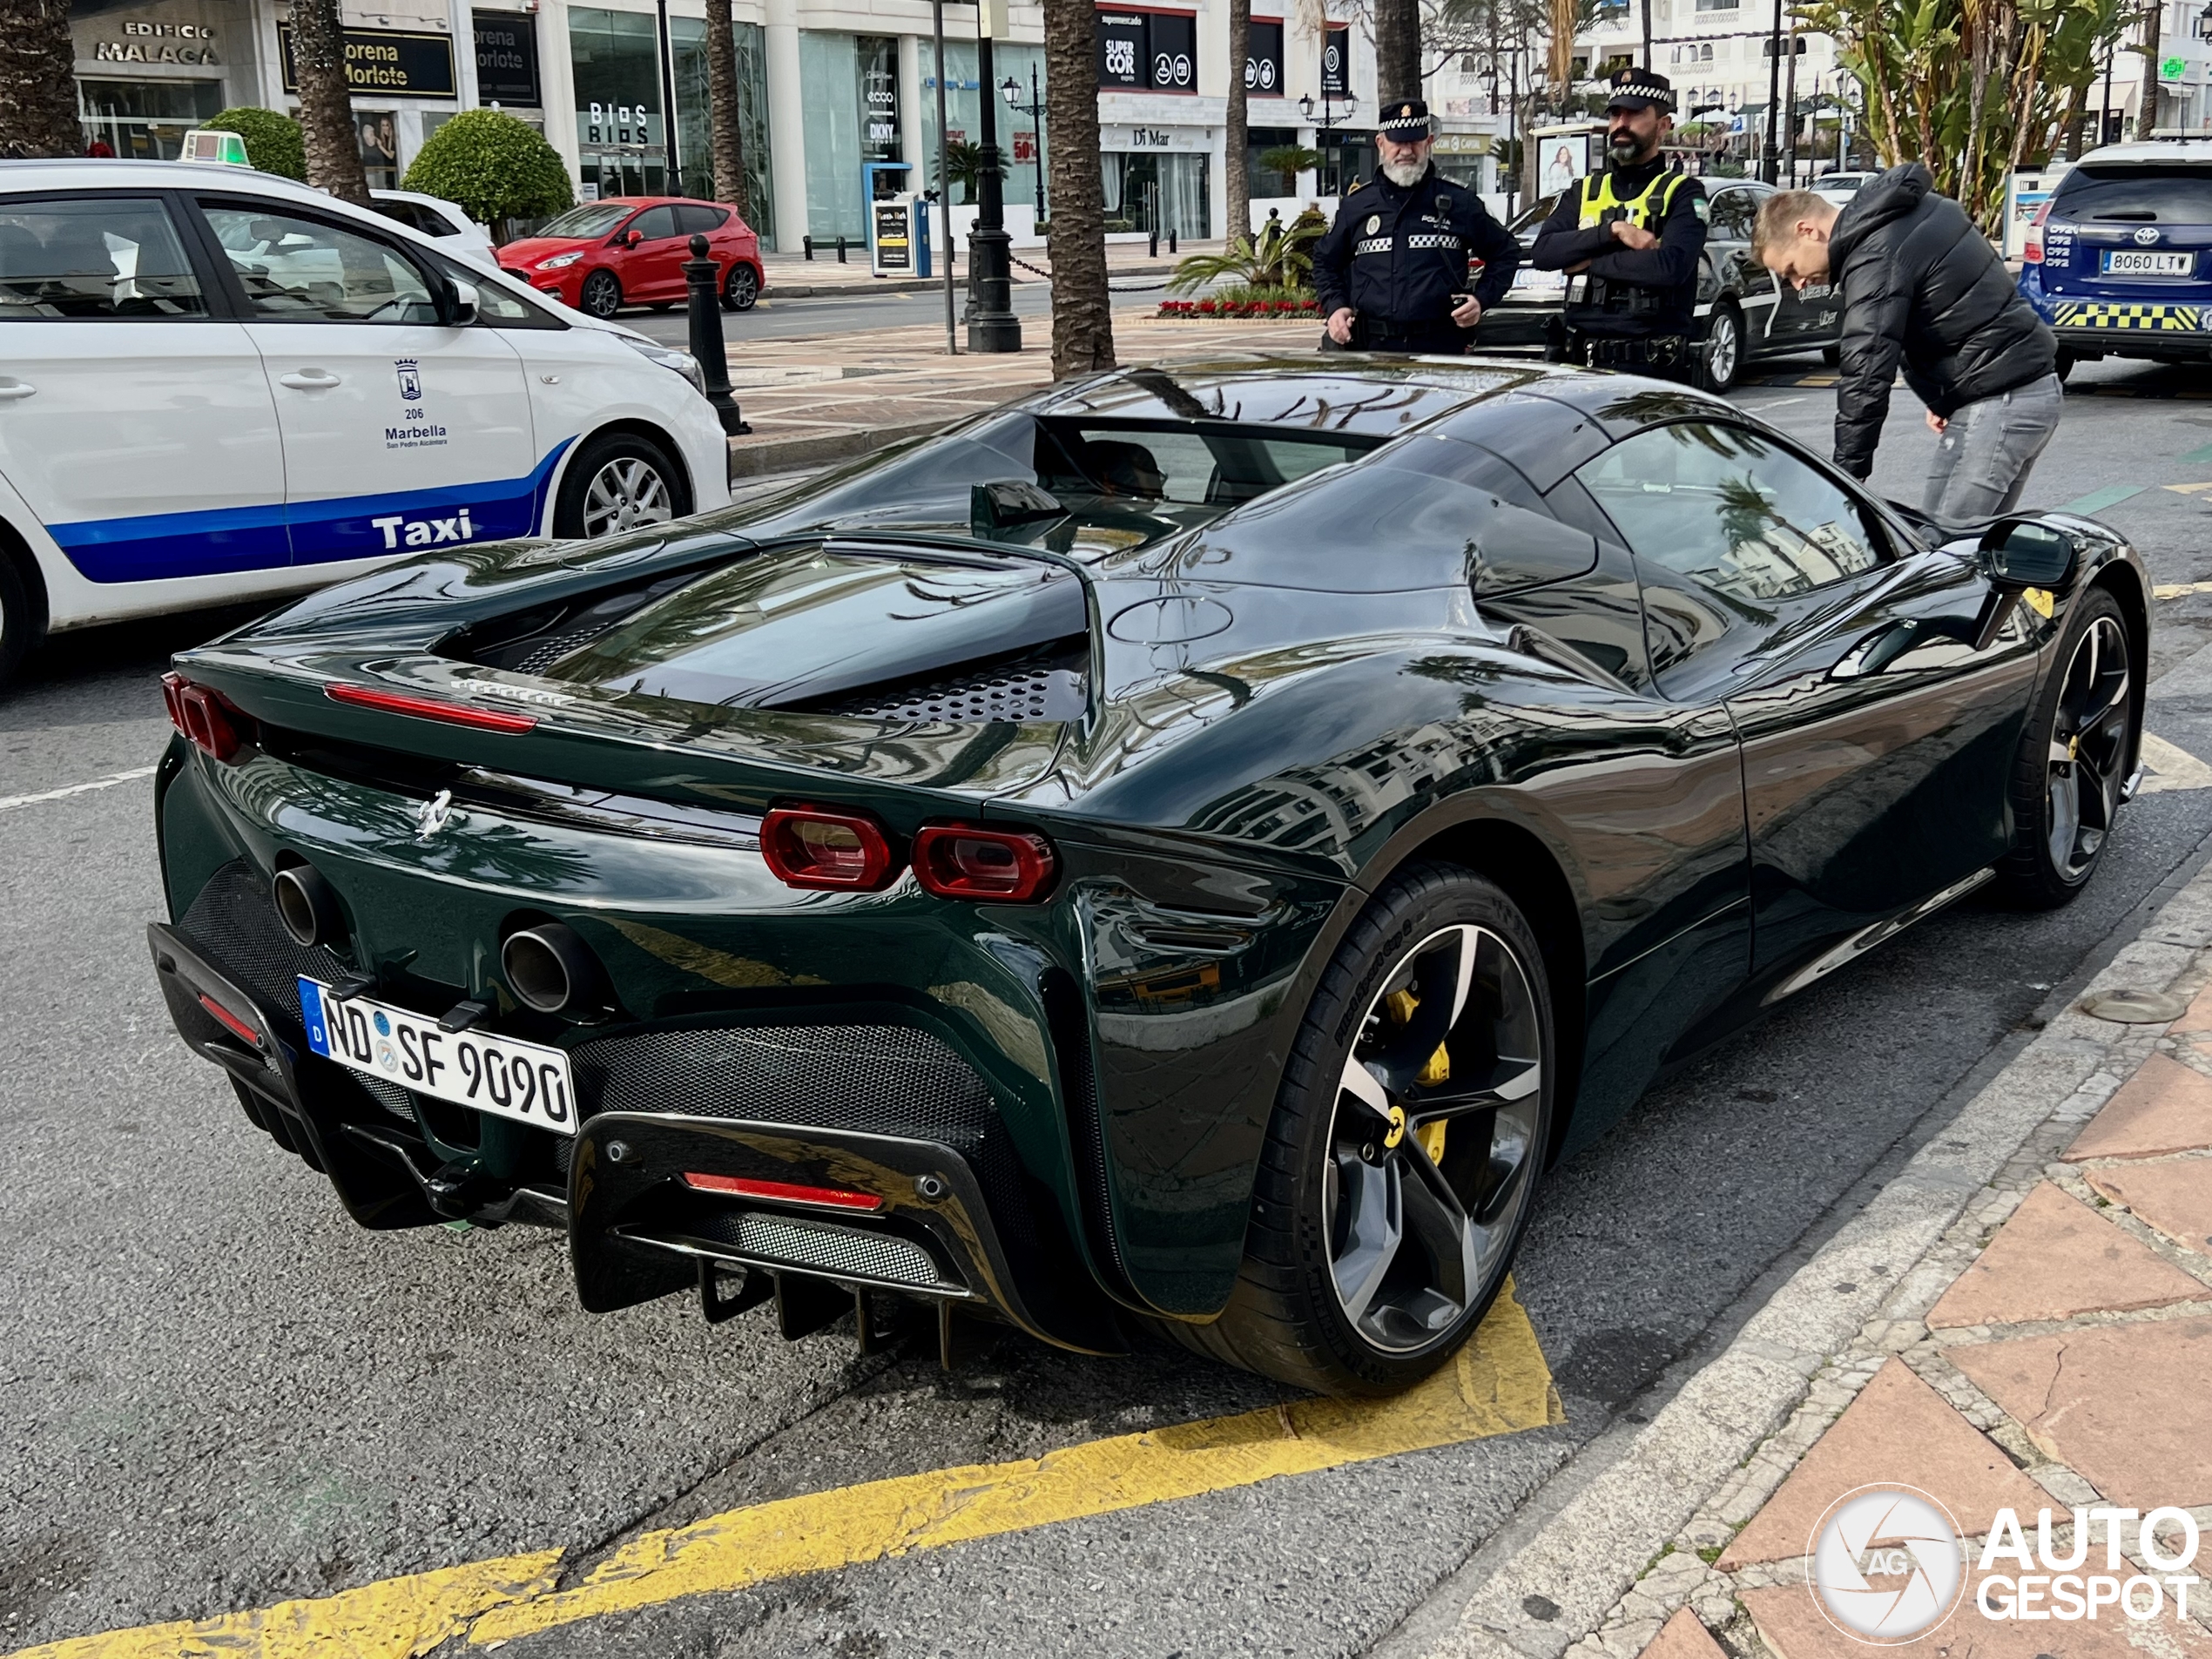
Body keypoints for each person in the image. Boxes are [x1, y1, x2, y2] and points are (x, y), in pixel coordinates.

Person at [1752, 165, 2061, 520]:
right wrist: (1943, 391)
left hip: (2001, 399)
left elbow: (1866, 371)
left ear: (1807, 230)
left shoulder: (1873, 256)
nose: (1798, 284)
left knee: (1942, 548)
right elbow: (1964, 302)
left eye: (1790, 269)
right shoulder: (1918, 208)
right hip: (2019, 389)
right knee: (1970, 543)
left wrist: (1847, 476)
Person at [1528, 68, 1707, 381]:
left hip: (1652, 370)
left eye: (1635, 114)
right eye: (1615, 114)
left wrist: (1589, 261)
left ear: (1663, 125)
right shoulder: (1582, 191)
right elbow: (1543, 252)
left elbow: (1670, 267)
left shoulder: (1684, 192)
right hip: (1580, 368)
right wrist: (1613, 231)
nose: (1621, 124)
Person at [1312, 98, 1521, 355]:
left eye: (1414, 141)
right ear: (1381, 144)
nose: (1407, 151)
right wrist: (1336, 306)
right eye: (1398, 142)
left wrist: (1481, 299)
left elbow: (1506, 252)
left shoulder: (1459, 203)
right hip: (1372, 349)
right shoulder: (1356, 207)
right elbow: (1325, 261)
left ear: (1429, 142)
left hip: (1440, 347)